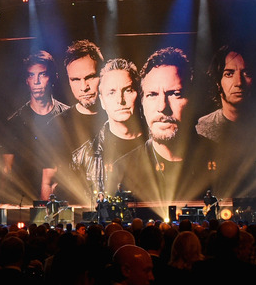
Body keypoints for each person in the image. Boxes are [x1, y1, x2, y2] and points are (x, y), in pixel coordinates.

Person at [113, 47, 218, 205]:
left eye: (175, 94)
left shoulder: (220, 160)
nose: (162, 106)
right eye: (152, 95)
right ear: (142, 104)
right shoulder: (123, 169)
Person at [0, 50, 69, 203]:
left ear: (52, 77)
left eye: (42, 74)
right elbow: (7, 170)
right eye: (32, 75)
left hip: (64, 197)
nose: (36, 81)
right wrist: (4, 203)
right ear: (27, 80)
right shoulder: (16, 122)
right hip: (23, 200)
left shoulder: (67, 117)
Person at [71, 58, 146, 197]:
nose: (120, 100)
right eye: (111, 92)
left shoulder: (161, 145)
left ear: (139, 94)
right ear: (102, 101)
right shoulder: (83, 157)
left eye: (128, 90)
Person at [45, 40, 107, 200]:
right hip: (72, 210)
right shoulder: (58, 125)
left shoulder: (120, 117)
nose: (84, 87)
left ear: (103, 75)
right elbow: (47, 180)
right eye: (75, 80)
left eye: (90, 77)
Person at [196, 45, 256, 190]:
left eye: (246, 73)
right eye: (229, 74)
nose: (239, 82)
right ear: (218, 82)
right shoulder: (203, 127)